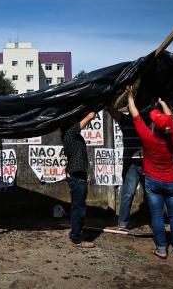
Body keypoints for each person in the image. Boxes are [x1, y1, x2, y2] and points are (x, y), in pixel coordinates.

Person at [125, 86, 173, 259]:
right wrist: (162, 103)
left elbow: (135, 115)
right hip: (172, 182)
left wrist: (130, 96)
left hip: (153, 182)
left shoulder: (148, 138)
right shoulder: (172, 134)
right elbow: (170, 118)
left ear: (154, 126)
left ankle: (161, 249)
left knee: (157, 217)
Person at [60, 111, 97, 249]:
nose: (77, 120)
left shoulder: (71, 135)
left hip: (77, 175)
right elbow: (89, 117)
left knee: (77, 206)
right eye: (74, 119)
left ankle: (75, 234)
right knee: (79, 208)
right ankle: (76, 239)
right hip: (76, 176)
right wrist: (91, 112)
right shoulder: (70, 133)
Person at [106, 105, 143, 231]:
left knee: (153, 194)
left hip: (148, 163)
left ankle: (155, 221)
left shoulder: (148, 120)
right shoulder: (126, 120)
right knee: (127, 193)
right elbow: (111, 110)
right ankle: (122, 223)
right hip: (131, 164)